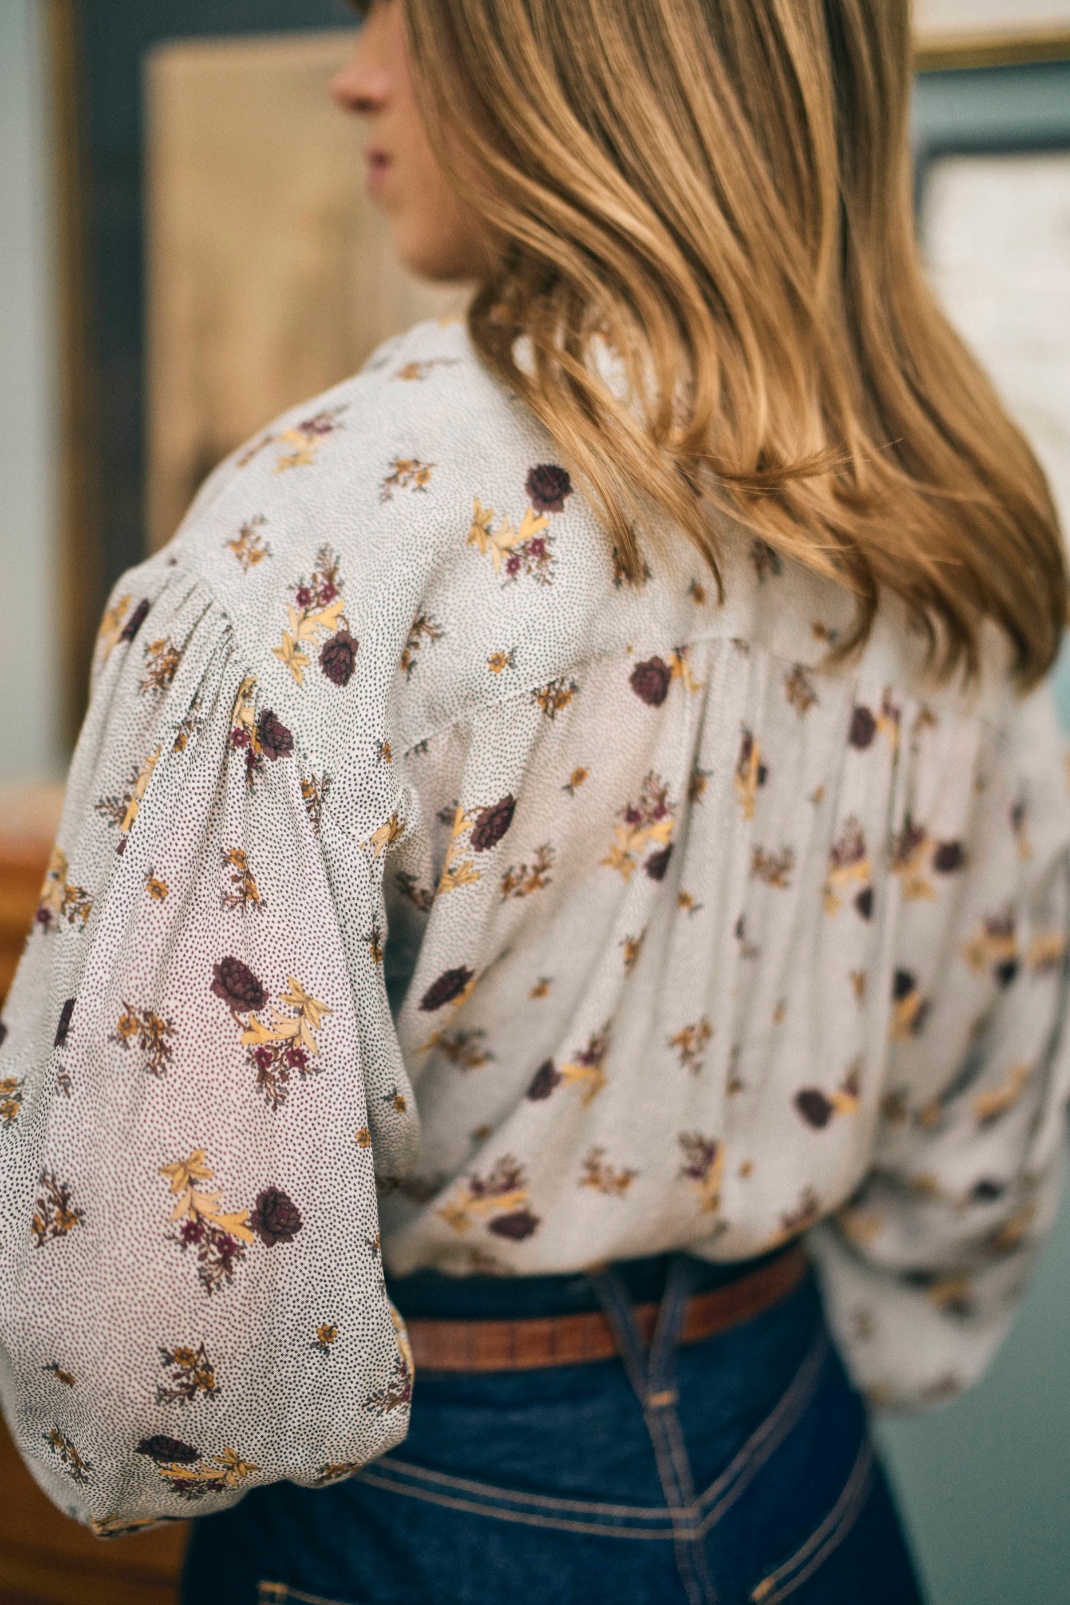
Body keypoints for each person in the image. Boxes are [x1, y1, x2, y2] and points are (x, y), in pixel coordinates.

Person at [1, 1, 1068, 1600]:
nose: (356, 73)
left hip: (437, 1491)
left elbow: (154, 1348)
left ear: (583, 54)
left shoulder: (332, 521)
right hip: (798, 1453)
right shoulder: (937, 519)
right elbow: (969, 1150)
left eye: (406, 19)